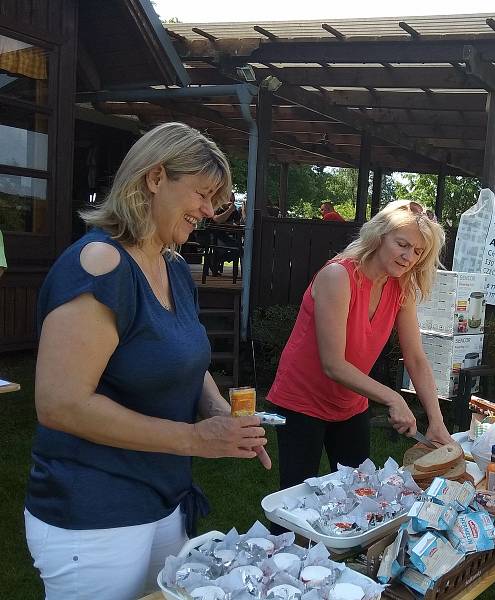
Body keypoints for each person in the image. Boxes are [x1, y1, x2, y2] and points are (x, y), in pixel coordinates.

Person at [25, 122, 271, 600]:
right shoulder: (99, 264)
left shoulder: (173, 266)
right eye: (202, 194)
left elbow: (186, 360)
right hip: (93, 513)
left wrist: (220, 413)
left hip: (163, 500)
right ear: (155, 178)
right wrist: (197, 439)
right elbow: (61, 405)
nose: (209, 211)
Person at [268, 199, 452, 489]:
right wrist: (394, 397)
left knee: (361, 493)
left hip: (350, 403)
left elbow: (415, 358)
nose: (409, 257)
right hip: (302, 401)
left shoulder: (400, 286)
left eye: (417, 251)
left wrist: (436, 419)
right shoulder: (338, 276)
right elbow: (333, 364)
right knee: (297, 503)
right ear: (379, 235)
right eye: (402, 244)